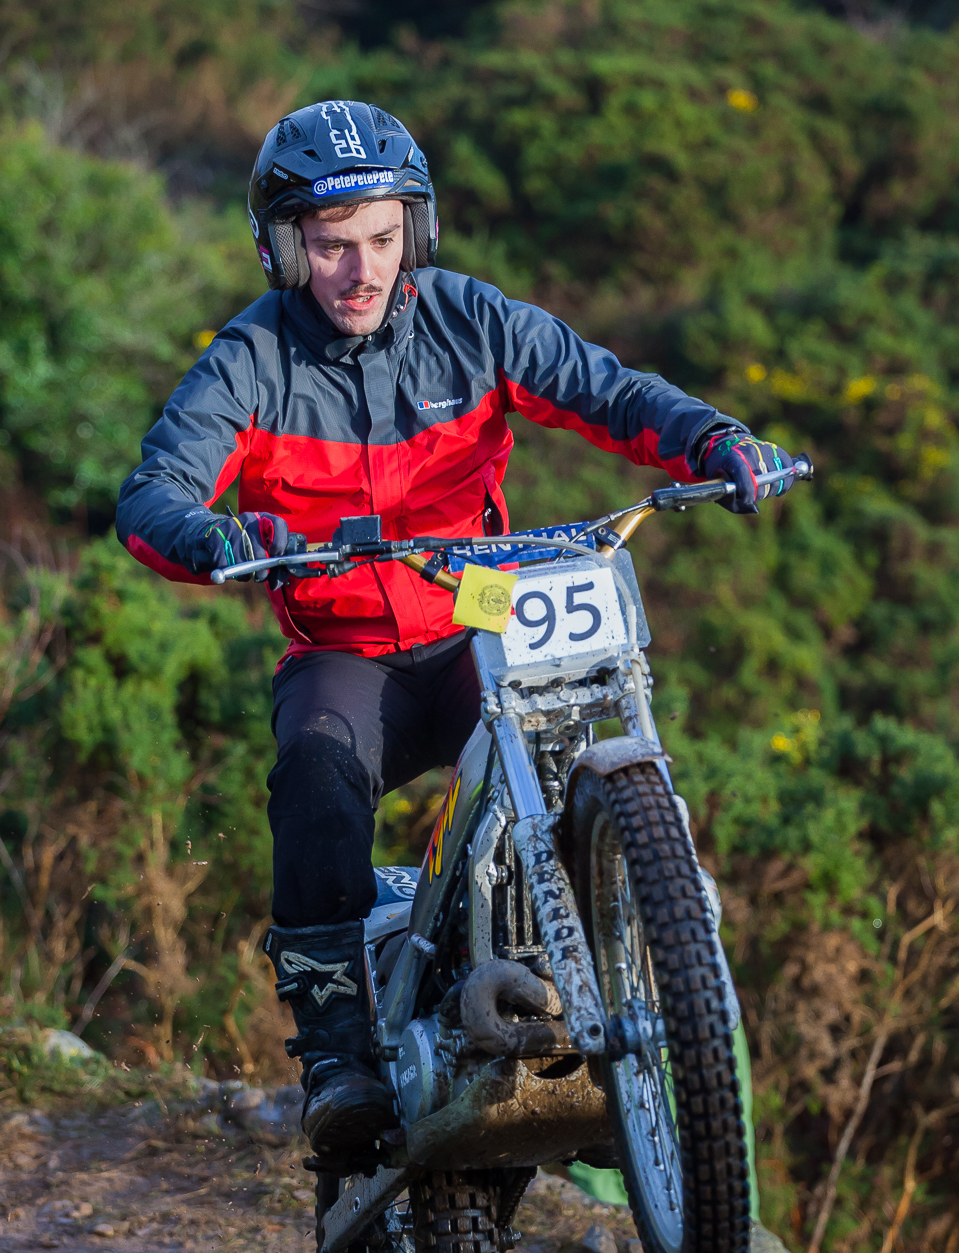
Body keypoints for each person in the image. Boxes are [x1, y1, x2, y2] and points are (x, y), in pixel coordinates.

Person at [116, 99, 797, 1172]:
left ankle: (588, 1009)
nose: (362, 271)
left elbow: (606, 391)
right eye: (331, 246)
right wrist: (216, 536)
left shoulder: (470, 319)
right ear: (283, 249)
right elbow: (152, 493)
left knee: (572, 734)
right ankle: (336, 1057)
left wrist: (710, 437)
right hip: (345, 652)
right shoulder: (247, 362)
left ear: (416, 232)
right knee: (317, 766)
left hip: (477, 616)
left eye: (384, 239)